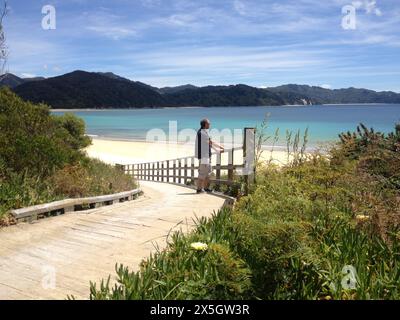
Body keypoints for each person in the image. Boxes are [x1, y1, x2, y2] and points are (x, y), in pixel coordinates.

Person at [195, 118, 224, 194]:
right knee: (202, 174)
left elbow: (209, 143)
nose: (210, 124)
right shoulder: (202, 133)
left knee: (208, 173)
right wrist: (219, 148)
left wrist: (219, 149)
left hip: (207, 156)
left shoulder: (204, 132)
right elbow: (210, 142)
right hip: (204, 156)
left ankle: (206, 188)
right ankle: (199, 189)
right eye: (208, 123)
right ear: (205, 124)